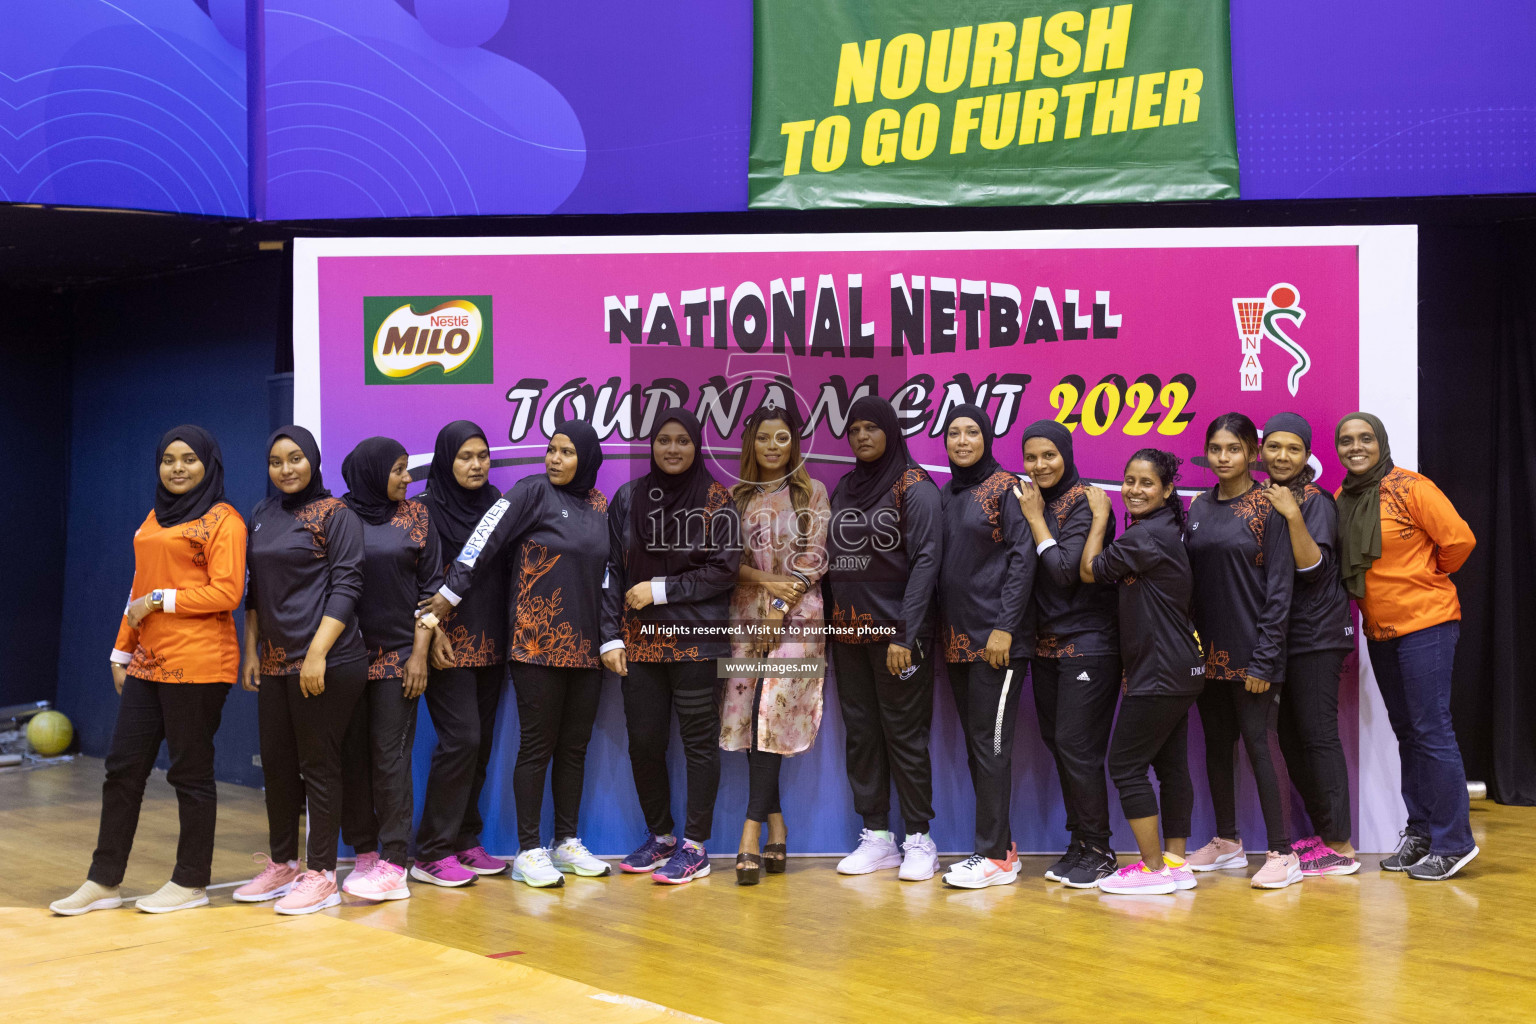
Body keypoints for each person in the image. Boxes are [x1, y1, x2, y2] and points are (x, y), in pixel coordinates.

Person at [51, 428, 247, 916]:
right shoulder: (154, 517)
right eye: (168, 460)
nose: (177, 468)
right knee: (122, 770)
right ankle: (103, 881)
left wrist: (162, 600)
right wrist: (122, 652)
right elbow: (139, 588)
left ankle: (190, 882)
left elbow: (227, 593)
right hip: (148, 663)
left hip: (201, 664)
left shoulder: (225, 520)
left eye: (188, 460)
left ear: (209, 465)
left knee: (189, 773)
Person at [424, 420, 612, 889]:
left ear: (585, 458)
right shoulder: (529, 492)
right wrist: (449, 593)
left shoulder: (597, 505)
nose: (554, 459)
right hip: (536, 644)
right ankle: (530, 850)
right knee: (537, 748)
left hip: (587, 650)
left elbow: (609, 576)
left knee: (574, 749)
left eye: (566, 452)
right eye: (551, 450)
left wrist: (610, 637)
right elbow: (481, 543)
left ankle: (566, 842)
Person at [601, 410, 743, 884]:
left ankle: (696, 847)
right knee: (644, 744)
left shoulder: (716, 499)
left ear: (696, 445)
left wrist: (659, 589)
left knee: (699, 745)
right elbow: (611, 572)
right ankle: (660, 837)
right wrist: (611, 635)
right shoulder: (628, 498)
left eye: (683, 440)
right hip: (639, 645)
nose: (673, 449)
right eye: (663, 440)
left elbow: (724, 570)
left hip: (697, 644)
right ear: (652, 445)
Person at [1335, 413, 1479, 880]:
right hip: (1380, 630)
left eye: (1365, 439)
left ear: (1381, 442)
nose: (1355, 447)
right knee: (1409, 734)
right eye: (1346, 441)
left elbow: (1459, 540)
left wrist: (1427, 574)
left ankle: (1454, 842)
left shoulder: (1410, 487)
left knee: (1431, 730)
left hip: (1426, 624)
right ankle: (1420, 833)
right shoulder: (1343, 497)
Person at [233, 425, 367, 914]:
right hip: (273, 662)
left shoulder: (336, 515)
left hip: (327, 661)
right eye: (276, 461)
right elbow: (255, 592)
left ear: (312, 460)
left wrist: (317, 654)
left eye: (295, 459)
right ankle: (283, 864)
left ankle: (323, 873)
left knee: (319, 767)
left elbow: (348, 587)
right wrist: (251, 651)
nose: (285, 469)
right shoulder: (263, 514)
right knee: (280, 767)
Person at [825, 396, 944, 881]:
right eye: (854, 430)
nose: (862, 437)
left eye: (872, 428)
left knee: (905, 737)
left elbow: (926, 563)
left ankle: (919, 838)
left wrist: (905, 633)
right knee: (862, 736)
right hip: (849, 635)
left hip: (899, 636)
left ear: (891, 432)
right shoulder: (846, 486)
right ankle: (878, 837)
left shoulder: (915, 487)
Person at [1185, 412, 1302, 890]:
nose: (1223, 458)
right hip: (1206, 654)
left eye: (1233, 449)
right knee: (1217, 745)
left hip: (1254, 653)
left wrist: (1266, 657)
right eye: (1216, 449)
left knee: (1259, 743)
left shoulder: (1270, 505)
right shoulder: (1197, 507)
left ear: (1253, 453)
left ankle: (1283, 853)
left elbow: (1281, 588)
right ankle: (1228, 843)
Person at [1083, 450, 1206, 895]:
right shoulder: (1165, 528)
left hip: (1160, 670)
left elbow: (1089, 570)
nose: (1134, 490)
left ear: (1167, 490)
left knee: (1126, 765)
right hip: (1180, 667)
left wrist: (1100, 517)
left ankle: (1153, 870)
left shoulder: (1145, 536)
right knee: (1171, 765)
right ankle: (1174, 861)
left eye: (1146, 483)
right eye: (1128, 480)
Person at [721, 403, 830, 885]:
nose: (772, 446)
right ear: (751, 443)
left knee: (774, 713)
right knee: (749, 718)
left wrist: (780, 606)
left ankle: (748, 835)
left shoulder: (812, 493)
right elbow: (723, 561)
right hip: (744, 616)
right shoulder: (734, 496)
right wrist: (765, 584)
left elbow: (815, 557)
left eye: (781, 438)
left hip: (800, 619)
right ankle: (777, 825)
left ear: (794, 444)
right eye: (763, 437)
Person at [1016, 419, 1122, 888]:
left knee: (1079, 748)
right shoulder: (1030, 498)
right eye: (1031, 457)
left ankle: (1100, 849)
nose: (1039, 466)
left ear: (1066, 454)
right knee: (1060, 744)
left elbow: (1064, 572)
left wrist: (1037, 520)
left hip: (1089, 642)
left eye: (1049, 456)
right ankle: (1080, 841)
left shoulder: (1087, 501)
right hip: (1045, 645)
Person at [333, 437, 439, 902]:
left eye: (407, 470)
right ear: (372, 472)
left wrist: (420, 654)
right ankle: (364, 855)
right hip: (345, 658)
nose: (407, 479)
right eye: (397, 470)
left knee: (390, 757)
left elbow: (432, 590)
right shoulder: (336, 515)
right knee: (350, 758)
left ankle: (395, 863)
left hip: (398, 657)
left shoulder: (418, 517)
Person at [935, 405, 1035, 889]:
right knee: (980, 749)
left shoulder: (1008, 488)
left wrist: (1005, 628)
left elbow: (1023, 560)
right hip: (957, 641)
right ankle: (1005, 849)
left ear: (987, 437)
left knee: (992, 748)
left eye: (971, 431)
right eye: (953, 432)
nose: (961, 440)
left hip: (998, 644)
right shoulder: (948, 493)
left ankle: (992, 855)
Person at [1258, 413, 1360, 876]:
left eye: (1293, 449)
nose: (1282, 456)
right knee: (1295, 739)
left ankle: (1341, 844)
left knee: (1318, 736)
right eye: (1274, 447)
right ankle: (1322, 838)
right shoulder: (1267, 497)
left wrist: (1293, 515)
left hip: (1317, 635)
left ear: (1306, 455)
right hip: (1284, 635)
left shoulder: (1314, 501)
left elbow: (1313, 569)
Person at [412, 421, 512, 886]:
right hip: (445, 644)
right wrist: (430, 634)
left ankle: (465, 840)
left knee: (481, 746)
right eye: (465, 456)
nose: (476, 465)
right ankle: (431, 851)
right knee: (462, 740)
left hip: (492, 642)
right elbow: (418, 578)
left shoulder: (498, 505)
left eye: (483, 456)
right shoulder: (424, 511)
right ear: (445, 460)